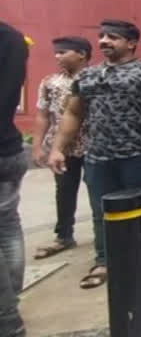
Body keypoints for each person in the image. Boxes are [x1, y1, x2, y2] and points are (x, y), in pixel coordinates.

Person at [48, 20, 141, 289]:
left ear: (131, 43)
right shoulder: (87, 77)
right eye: (101, 36)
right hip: (98, 157)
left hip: (139, 154)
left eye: (112, 37)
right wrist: (57, 149)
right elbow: (73, 113)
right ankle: (104, 261)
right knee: (101, 211)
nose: (103, 42)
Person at [31, 37, 92, 260]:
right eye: (56, 53)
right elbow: (42, 115)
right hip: (62, 148)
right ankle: (64, 235)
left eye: (63, 52)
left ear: (82, 54)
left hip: (93, 145)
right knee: (64, 191)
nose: (57, 57)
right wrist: (37, 146)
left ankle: (104, 237)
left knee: (98, 192)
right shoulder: (50, 82)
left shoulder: (94, 79)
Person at [0, 19, 29, 337]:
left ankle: (6, 317)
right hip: (8, 145)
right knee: (7, 226)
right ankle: (10, 304)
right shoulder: (12, 37)